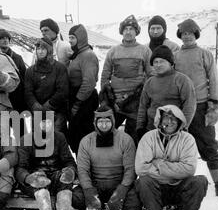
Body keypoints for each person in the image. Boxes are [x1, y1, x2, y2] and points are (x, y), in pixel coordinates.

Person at [136, 105, 208, 210]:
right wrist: (175, 169)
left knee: (200, 181)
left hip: (179, 188)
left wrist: (159, 164)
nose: (169, 122)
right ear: (159, 120)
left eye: (174, 118)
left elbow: (189, 169)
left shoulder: (187, 139)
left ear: (180, 121)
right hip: (155, 190)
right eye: (166, 118)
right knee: (143, 181)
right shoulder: (148, 137)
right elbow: (141, 168)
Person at [174, 19, 218, 200]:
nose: (187, 36)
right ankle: (179, 187)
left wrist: (213, 106)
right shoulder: (176, 55)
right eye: (184, 33)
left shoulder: (204, 54)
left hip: (202, 107)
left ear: (196, 35)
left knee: (209, 146)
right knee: (179, 148)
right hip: (181, 108)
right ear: (180, 36)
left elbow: (214, 80)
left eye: (190, 33)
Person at [74, 105, 141, 210]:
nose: (104, 125)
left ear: (113, 121)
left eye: (107, 121)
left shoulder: (125, 139)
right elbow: (83, 170)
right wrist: (90, 193)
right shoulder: (86, 141)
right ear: (95, 122)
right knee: (77, 197)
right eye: (100, 121)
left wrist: (120, 192)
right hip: (96, 186)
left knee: (136, 200)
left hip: (119, 185)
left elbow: (130, 170)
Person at [16, 114, 76, 210]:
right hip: (35, 177)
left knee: (65, 182)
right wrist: (28, 178)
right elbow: (20, 168)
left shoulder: (59, 137)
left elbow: (69, 161)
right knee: (41, 188)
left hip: (55, 174)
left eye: (48, 122)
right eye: (41, 122)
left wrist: (70, 171)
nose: (45, 125)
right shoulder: (26, 139)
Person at [100, 15, 153, 144]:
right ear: (121, 31)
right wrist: (107, 97)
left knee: (133, 137)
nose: (128, 32)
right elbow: (105, 75)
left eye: (131, 29)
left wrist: (142, 94)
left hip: (136, 102)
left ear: (136, 31)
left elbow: (151, 74)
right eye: (125, 29)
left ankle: (132, 163)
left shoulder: (144, 51)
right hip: (115, 102)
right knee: (106, 133)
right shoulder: (113, 51)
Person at [136, 45, 196, 141]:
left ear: (170, 63)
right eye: (155, 62)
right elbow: (143, 106)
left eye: (162, 61)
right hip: (152, 129)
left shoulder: (182, 80)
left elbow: (189, 106)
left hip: (174, 129)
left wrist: (182, 128)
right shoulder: (150, 82)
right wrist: (140, 127)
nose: (158, 65)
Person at [24, 37, 69, 134]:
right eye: (38, 49)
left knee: (56, 142)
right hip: (37, 113)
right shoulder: (30, 71)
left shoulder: (60, 68)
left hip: (56, 113)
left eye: (43, 49)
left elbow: (62, 91)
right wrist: (36, 106)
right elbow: (28, 92)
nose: (40, 52)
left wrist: (48, 106)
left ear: (49, 50)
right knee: (38, 143)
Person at [67, 24, 99, 154]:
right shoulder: (78, 55)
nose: (70, 41)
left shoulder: (87, 55)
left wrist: (77, 103)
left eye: (73, 37)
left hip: (84, 100)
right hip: (77, 97)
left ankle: (87, 167)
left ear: (80, 38)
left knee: (83, 135)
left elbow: (89, 82)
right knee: (75, 135)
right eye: (69, 37)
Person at [0, 29, 28, 138]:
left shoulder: (17, 58)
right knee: (3, 135)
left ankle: (23, 154)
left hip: (16, 101)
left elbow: (23, 79)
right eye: (2, 38)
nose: (5, 40)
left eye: (7, 38)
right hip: (0, 102)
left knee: (21, 134)